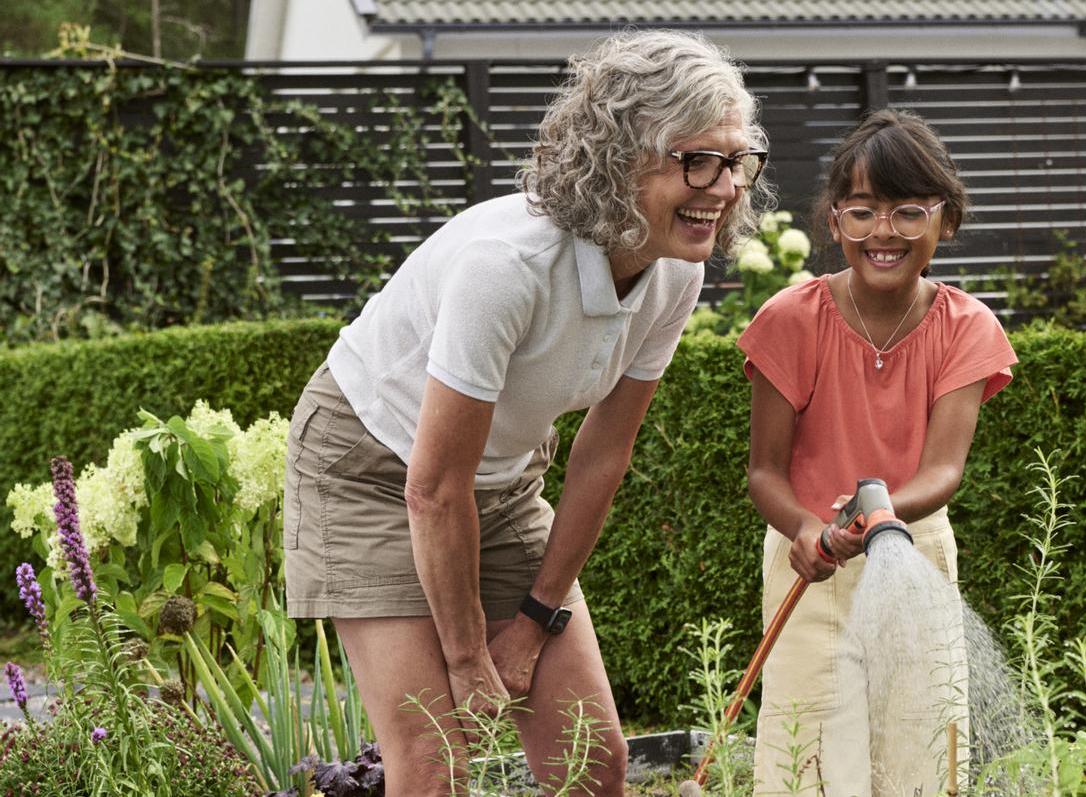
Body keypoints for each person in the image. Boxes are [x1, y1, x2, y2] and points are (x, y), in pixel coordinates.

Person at [282, 30, 772, 796]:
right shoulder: (506, 267)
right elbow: (431, 487)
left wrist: (537, 615)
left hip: (500, 485)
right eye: (695, 160)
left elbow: (602, 454)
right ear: (618, 158)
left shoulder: (674, 268)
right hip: (368, 473)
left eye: (736, 161)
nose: (724, 186)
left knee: (591, 761)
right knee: (433, 760)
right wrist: (471, 654)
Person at [737, 108, 1018, 796]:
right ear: (833, 222)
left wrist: (874, 517)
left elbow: (942, 471)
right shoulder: (790, 319)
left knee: (921, 747)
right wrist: (809, 529)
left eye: (906, 212)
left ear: (944, 220)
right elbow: (764, 470)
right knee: (807, 756)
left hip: (911, 548)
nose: (882, 233)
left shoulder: (966, 327)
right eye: (861, 212)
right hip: (810, 558)